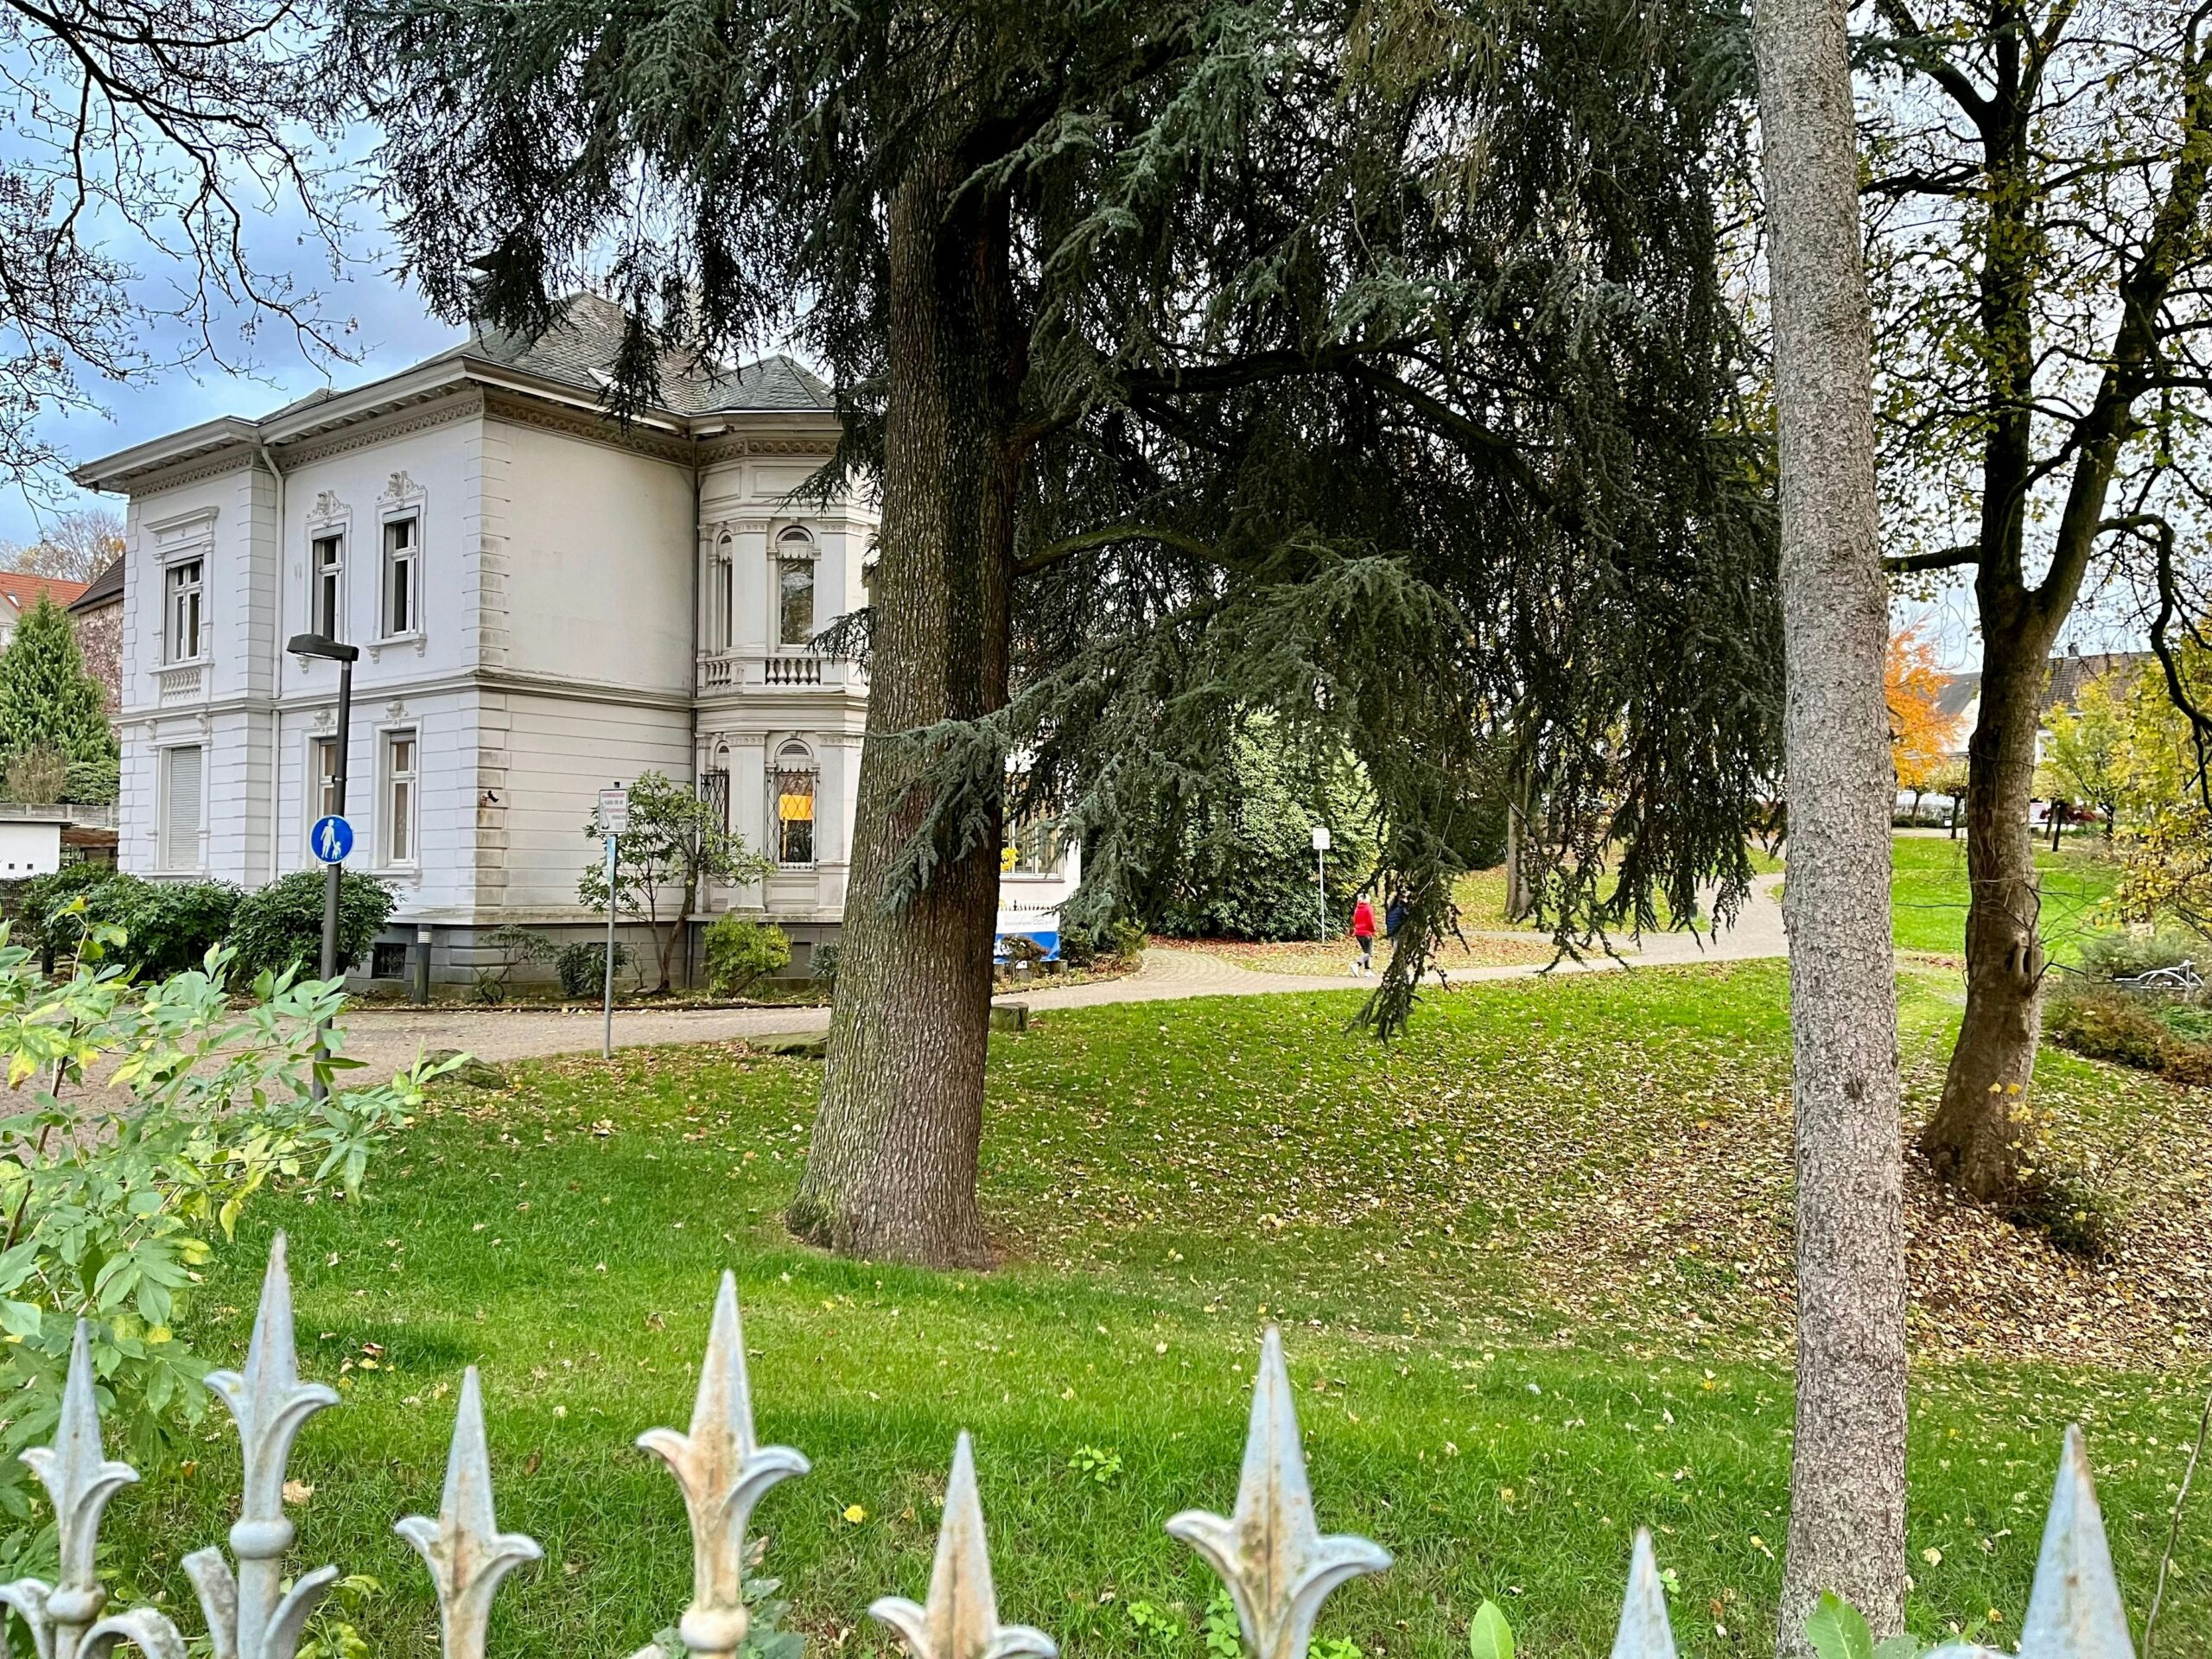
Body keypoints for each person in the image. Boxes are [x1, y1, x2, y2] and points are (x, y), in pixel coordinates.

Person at [1351, 894, 1376, 975]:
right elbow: (1370, 922)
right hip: (1366, 933)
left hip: (1358, 933)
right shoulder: (1369, 909)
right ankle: (1357, 964)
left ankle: (1367, 970)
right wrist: (1374, 930)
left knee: (1366, 952)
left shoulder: (1357, 909)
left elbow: (1354, 921)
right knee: (1369, 953)